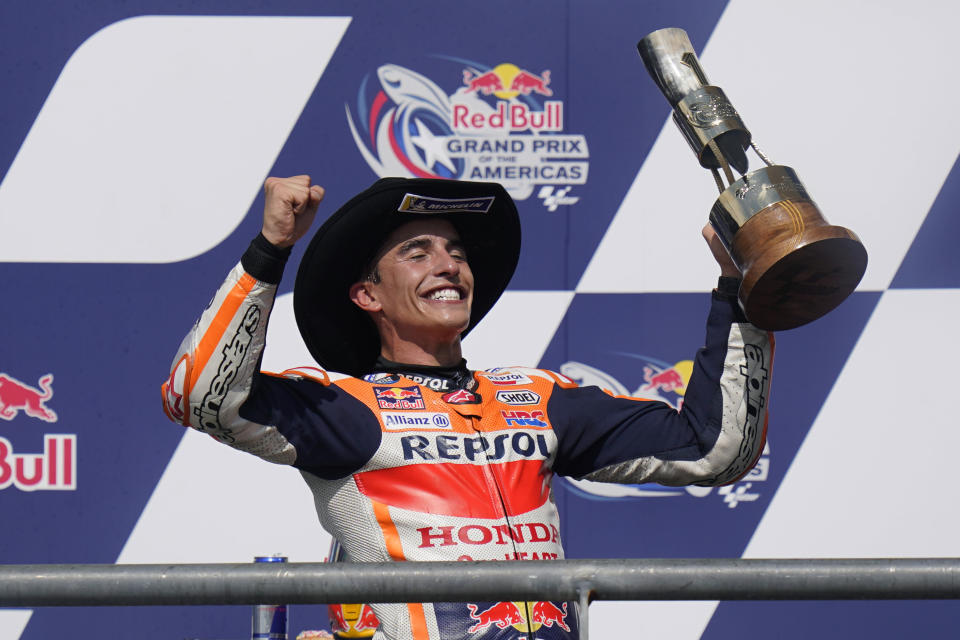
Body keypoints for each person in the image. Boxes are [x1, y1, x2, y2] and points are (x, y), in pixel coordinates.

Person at [161, 175, 772, 640]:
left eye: (455, 250)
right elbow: (200, 397)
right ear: (367, 294)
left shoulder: (536, 398)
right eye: (417, 252)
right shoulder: (345, 408)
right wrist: (270, 249)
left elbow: (713, 449)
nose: (449, 264)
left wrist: (743, 291)